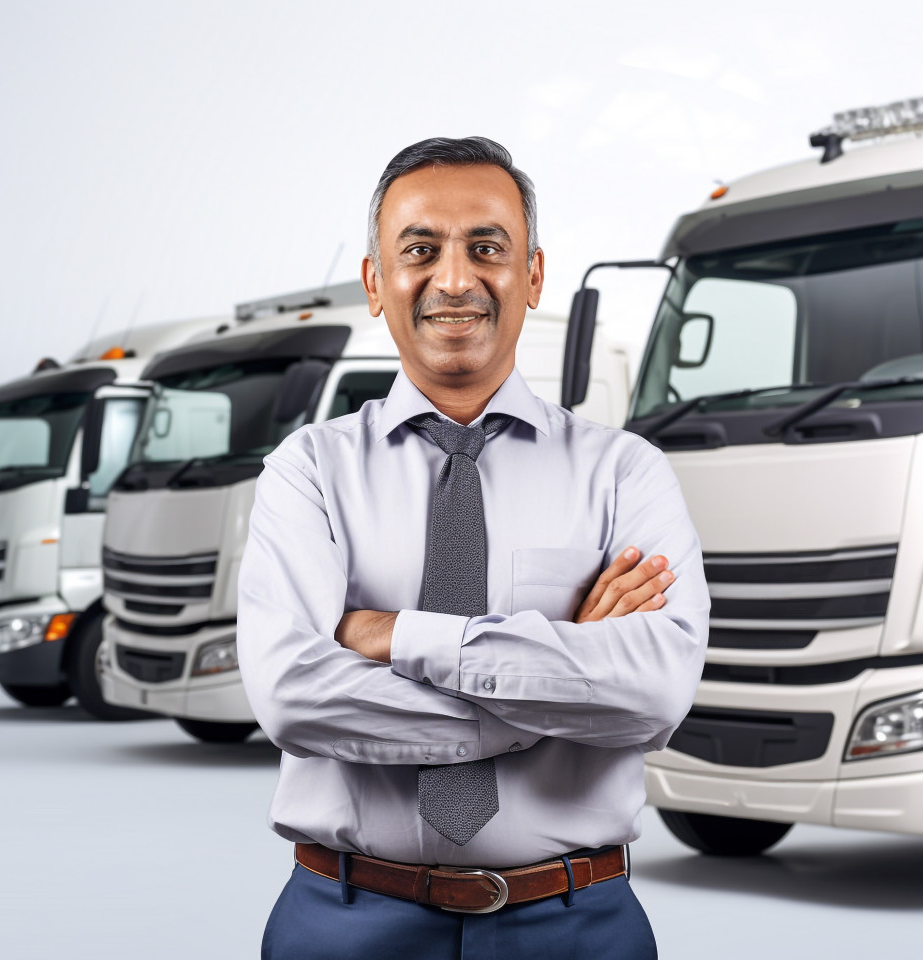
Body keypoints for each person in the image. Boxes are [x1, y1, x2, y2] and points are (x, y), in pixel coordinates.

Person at [238, 136, 710, 959]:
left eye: (486, 247)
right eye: (420, 250)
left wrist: (399, 636)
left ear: (531, 274)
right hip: (344, 922)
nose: (454, 279)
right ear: (376, 284)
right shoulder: (306, 471)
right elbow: (291, 697)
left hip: (577, 924)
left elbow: (654, 694)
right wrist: (550, 702)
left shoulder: (625, 474)